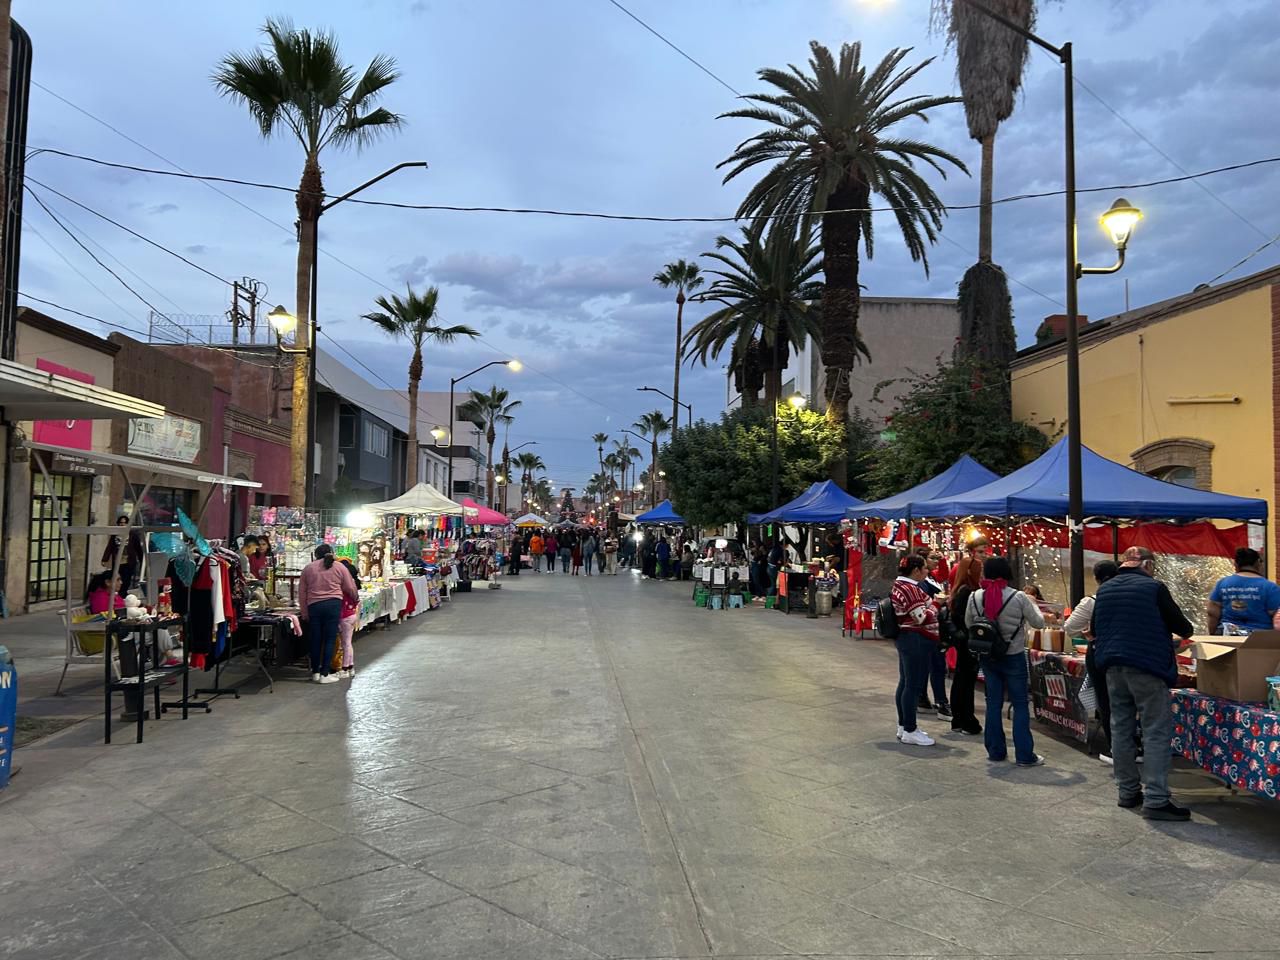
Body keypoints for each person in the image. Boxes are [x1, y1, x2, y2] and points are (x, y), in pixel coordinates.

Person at [1093, 546, 1195, 821]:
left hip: (1113, 666)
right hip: (1147, 666)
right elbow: (1184, 627)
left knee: (1121, 728)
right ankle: (1157, 799)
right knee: (1155, 730)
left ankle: (1127, 791)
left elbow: (1095, 628)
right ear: (1148, 565)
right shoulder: (1154, 587)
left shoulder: (1105, 589)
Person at [965, 555, 1046, 766]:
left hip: (988, 657)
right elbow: (1038, 623)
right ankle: (1024, 755)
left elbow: (969, 624)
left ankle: (995, 751)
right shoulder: (1019, 597)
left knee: (993, 703)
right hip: (1014, 656)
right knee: (1020, 704)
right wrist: (1033, 604)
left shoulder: (975, 597)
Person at [1065, 559, 1120, 764]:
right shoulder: (1131, 597)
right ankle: (1136, 746)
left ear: (1097, 579)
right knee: (1129, 703)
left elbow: (1070, 627)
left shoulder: (1092, 601)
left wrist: (1088, 631)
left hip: (1101, 655)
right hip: (1129, 657)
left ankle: (1117, 749)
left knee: (1106, 702)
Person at [891, 554, 940, 746]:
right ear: (916, 570)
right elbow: (920, 617)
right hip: (915, 640)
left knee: (905, 683)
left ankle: (904, 726)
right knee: (912, 685)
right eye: (925, 568)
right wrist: (936, 605)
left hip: (908, 639)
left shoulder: (901, 585)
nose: (927, 571)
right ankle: (910, 729)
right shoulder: (909, 588)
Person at [297, 544, 359, 685]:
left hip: (314, 606)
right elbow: (350, 587)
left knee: (315, 639)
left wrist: (305, 612)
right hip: (333, 605)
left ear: (316, 554)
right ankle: (325, 673)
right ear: (331, 553)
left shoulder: (308, 568)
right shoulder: (339, 567)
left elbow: (302, 593)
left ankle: (315, 672)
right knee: (330, 639)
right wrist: (355, 599)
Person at [947, 537, 989, 735]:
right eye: (980, 552)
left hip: (962, 639)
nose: (983, 557)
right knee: (966, 679)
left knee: (961, 679)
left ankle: (959, 719)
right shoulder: (967, 592)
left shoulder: (961, 591)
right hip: (967, 640)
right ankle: (966, 719)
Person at [913, 549, 952, 721]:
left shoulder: (930, 577)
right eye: (932, 559)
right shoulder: (920, 583)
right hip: (928, 627)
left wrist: (942, 560)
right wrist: (938, 603)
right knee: (935, 666)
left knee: (928, 666)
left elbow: (944, 574)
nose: (935, 561)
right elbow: (923, 609)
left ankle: (923, 698)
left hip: (932, 626)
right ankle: (941, 703)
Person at [1207, 547, 1280, 635]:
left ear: (1236, 564)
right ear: (1258, 563)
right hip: (1259, 638)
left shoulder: (1223, 583)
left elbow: (1212, 613)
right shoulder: (1270, 587)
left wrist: (1212, 635)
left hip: (1227, 636)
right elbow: (1276, 615)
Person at [102, 515, 146, 596]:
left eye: (125, 523)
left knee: (126, 580)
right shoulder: (115, 535)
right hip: (118, 562)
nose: (123, 525)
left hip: (129, 562)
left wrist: (143, 561)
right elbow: (110, 547)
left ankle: (123, 595)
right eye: (121, 523)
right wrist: (105, 559)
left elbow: (138, 549)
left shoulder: (133, 535)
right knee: (117, 579)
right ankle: (119, 595)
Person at [335, 557, 361, 679]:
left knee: (345, 643)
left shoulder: (343, 588)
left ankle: (345, 668)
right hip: (351, 615)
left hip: (344, 616)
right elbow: (356, 600)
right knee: (348, 643)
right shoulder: (353, 587)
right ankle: (350, 666)